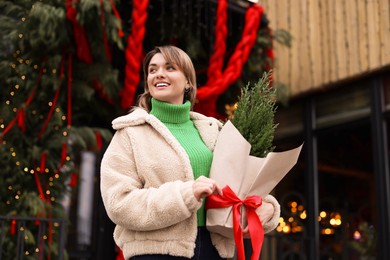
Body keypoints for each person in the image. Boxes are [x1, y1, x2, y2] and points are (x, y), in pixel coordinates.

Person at [100, 45, 280, 260]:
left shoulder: (214, 130)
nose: (159, 74)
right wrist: (186, 194)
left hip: (213, 250)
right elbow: (119, 204)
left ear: (188, 82)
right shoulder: (130, 133)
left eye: (170, 67)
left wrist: (267, 208)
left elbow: (240, 185)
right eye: (152, 70)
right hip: (156, 253)